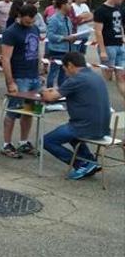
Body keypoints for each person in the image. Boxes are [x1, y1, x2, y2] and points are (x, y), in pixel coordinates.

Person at [41, 52, 111, 180]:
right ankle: (89, 161)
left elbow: (49, 97)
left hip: (83, 127)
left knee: (47, 141)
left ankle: (81, 164)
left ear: (70, 65)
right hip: (103, 127)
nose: (65, 72)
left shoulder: (75, 79)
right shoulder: (96, 77)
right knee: (71, 134)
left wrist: (43, 90)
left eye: (64, 69)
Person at [0, 4, 43, 159]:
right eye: (27, 21)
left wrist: (39, 71)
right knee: (13, 111)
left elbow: (36, 51)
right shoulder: (11, 32)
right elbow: (5, 59)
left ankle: (23, 141)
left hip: (33, 77)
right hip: (19, 77)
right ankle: (6, 144)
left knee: (29, 111)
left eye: (32, 21)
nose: (30, 23)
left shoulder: (34, 29)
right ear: (20, 16)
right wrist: (10, 82)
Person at [93, 0, 125, 96]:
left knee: (121, 77)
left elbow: (120, 25)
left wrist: (123, 38)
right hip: (108, 46)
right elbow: (98, 31)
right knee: (107, 77)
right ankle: (103, 101)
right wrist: (102, 51)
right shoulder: (101, 10)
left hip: (119, 45)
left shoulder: (119, 8)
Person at [46, 0, 77, 97]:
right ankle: (49, 92)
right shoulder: (54, 19)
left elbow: (69, 32)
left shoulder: (67, 19)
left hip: (67, 49)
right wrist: (65, 38)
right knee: (54, 72)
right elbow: (50, 36)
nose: (70, 5)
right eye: (68, 3)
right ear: (63, 5)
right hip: (57, 50)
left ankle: (60, 93)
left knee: (64, 74)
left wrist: (73, 37)